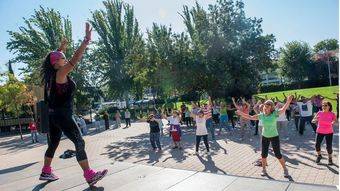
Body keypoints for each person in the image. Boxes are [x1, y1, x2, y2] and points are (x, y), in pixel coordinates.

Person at [40, 23, 107, 186]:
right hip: (63, 115)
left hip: (52, 115)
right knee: (79, 142)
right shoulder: (61, 72)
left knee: (53, 144)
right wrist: (85, 41)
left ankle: (46, 171)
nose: (65, 58)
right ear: (57, 62)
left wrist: (61, 48)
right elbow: (74, 60)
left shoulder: (51, 75)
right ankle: (89, 175)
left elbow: (54, 57)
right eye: (63, 57)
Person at [235, 95, 293, 178]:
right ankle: (264, 170)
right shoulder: (262, 115)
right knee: (263, 154)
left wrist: (288, 101)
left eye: (269, 105)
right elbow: (250, 117)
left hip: (274, 136)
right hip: (265, 137)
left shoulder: (275, 113)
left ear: (272, 106)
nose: (267, 106)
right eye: (266, 104)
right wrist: (241, 113)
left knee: (278, 155)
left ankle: (285, 169)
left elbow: (283, 109)